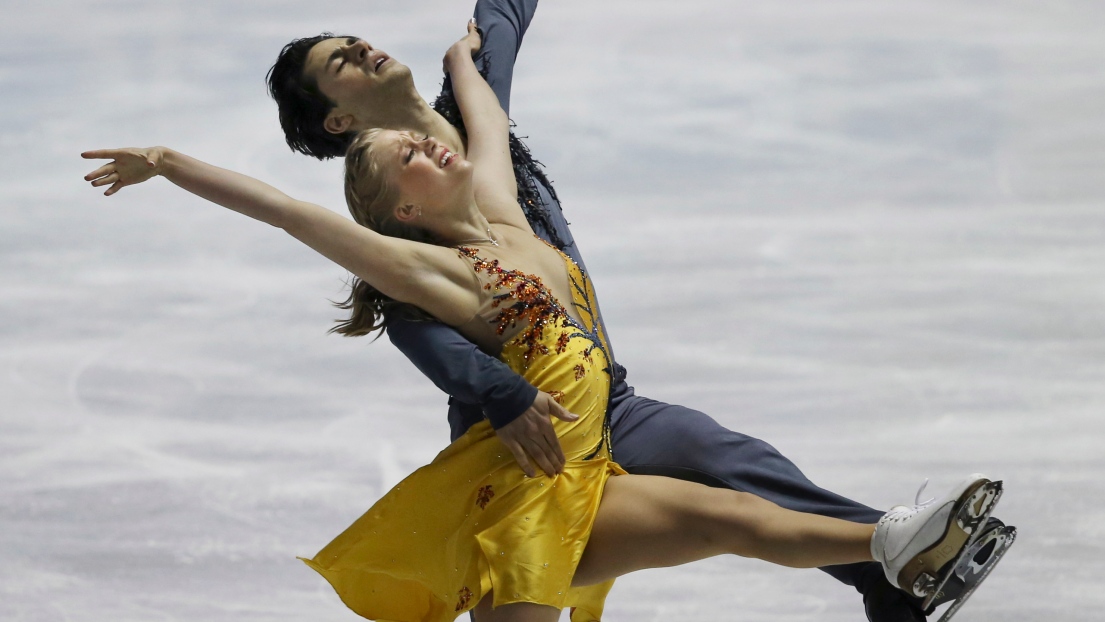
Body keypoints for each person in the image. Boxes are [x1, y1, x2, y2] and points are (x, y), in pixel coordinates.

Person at [81, 21, 1005, 622]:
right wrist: (166, 157)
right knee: (695, 529)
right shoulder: (423, 269)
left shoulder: (499, 205)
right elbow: (291, 213)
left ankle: (896, 551)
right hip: (529, 467)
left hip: (603, 431)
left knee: (734, 500)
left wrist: (461, 63)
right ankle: (896, 550)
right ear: (397, 207)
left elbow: (482, 111)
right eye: (401, 152)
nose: (424, 142)